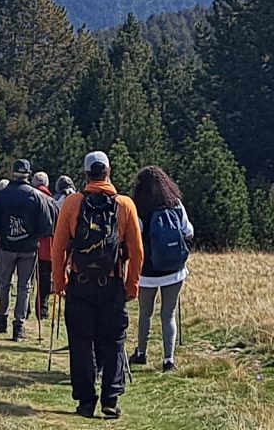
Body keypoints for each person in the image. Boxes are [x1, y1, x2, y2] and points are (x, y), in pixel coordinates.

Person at [49, 151, 143, 420]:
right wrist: (131, 285)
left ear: (86, 173)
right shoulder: (125, 205)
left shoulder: (72, 203)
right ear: (108, 172)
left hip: (79, 284)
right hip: (111, 283)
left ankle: (86, 402)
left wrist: (59, 282)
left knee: (80, 343)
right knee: (113, 341)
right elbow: (137, 251)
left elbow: (58, 249)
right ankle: (110, 400)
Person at [129, 165, 194, 372]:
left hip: (147, 272)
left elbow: (135, 236)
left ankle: (141, 353)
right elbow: (188, 231)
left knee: (145, 313)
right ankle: (168, 360)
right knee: (169, 314)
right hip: (174, 270)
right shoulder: (175, 204)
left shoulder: (138, 207)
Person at [0, 158, 54, 339]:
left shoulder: (3, 195)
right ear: (28, 174)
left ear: (13, 172)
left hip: (7, 245)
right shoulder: (36, 196)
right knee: (25, 286)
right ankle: (19, 326)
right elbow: (47, 226)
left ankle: (2, 318)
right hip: (29, 247)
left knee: (5, 284)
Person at [32, 171, 56, 320]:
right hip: (49, 248)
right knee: (45, 280)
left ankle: (24, 309)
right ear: (47, 184)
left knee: (27, 280)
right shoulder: (52, 201)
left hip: (31, 245)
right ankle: (42, 308)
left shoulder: (30, 199)